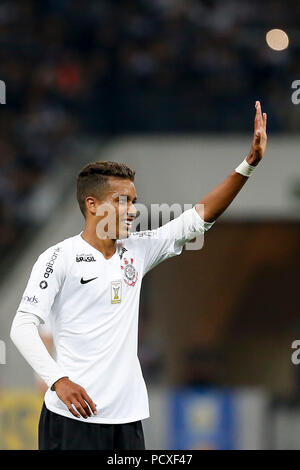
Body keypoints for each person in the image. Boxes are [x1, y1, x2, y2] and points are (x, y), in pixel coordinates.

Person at [10, 102, 267, 450]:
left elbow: (198, 218)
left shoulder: (139, 249)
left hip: (127, 419)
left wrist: (248, 165)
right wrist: (58, 380)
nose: (133, 210)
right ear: (92, 205)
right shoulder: (59, 257)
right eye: (122, 201)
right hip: (70, 418)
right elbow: (22, 326)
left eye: (134, 201)